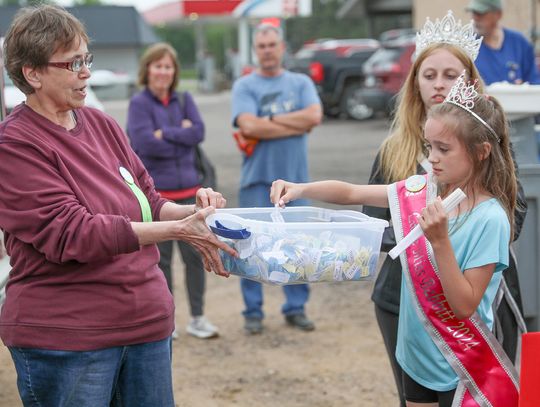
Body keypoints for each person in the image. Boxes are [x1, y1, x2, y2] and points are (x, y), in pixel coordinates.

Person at [0, 5, 236, 406]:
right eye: (72, 62)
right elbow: (75, 235)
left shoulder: (103, 125)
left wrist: (196, 214)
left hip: (146, 325)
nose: (86, 72)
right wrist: (179, 231)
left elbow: (149, 200)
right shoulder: (15, 145)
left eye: (86, 59)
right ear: (33, 73)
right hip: (70, 340)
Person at [271, 73, 520, 406]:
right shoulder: (423, 190)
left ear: (481, 151)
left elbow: (464, 305)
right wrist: (302, 188)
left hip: (460, 369)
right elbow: (351, 191)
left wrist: (440, 243)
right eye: (430, 145)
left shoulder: (490, 219)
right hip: (416, 357)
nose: (432, 157)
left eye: (443, 149)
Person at [363, 11, 527, 406]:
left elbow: (513, 215)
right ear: (414, 81)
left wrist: (450, 239)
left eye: (450, 75)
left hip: (478, 295)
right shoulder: (394, 150)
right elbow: (374, 221)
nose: (439, 84)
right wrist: (418, 235)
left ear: (469, 81)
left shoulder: (488, 145)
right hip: (404, 296)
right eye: (429, 74)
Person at [231, 22, 322, 335]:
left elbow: (314, 116)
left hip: (295, 183)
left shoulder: (300, 82)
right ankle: (252, 311)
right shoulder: (245, 86)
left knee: (297, 249)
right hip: (257, 180)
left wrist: (266, 121)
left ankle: (296, 308)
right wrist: (292, 124)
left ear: (282, 48)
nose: (267, 51)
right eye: (261, 46)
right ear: (255, 50)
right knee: (249, 249)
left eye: (272, 45)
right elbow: (248, 126)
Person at [127, 43, 219, 340]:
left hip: (191, 193)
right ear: (147, 70)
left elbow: (199, 132)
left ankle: (198, 317)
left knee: (195, 258)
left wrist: (164, 133)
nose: (163, 72)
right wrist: (182, 133)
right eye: (158, 66)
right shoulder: (139, 103)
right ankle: (170, 320)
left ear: (174, 71)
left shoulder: (184, 98)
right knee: (161, 261)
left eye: (168, 66)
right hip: (158, 200)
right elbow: (143, 143)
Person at [467, 0, 540, 85]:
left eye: (480, 13)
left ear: (498, 14)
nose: (475, 18)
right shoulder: (467, 44)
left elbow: (535, 82)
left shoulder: (519, 43)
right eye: (473, 12)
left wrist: (523, 87)